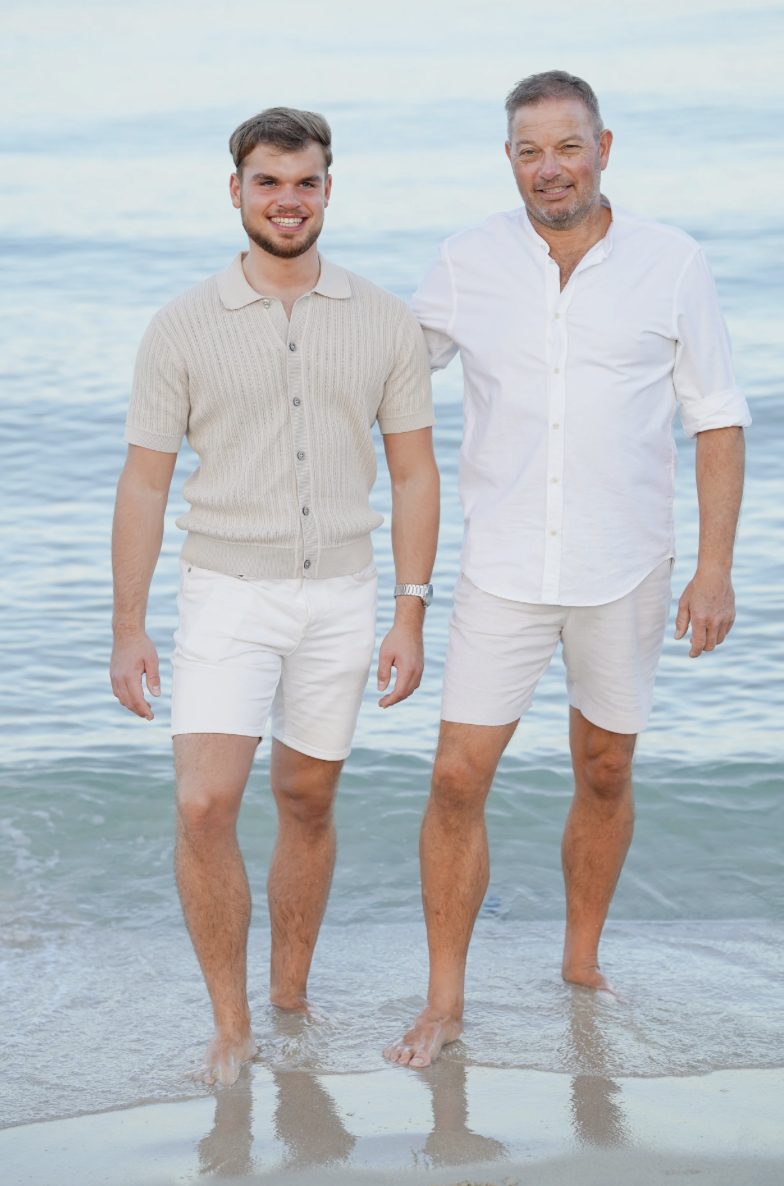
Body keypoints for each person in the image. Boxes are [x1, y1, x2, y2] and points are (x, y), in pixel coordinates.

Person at [384, 71, 750, 1069]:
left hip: (626, 564)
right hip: (499, 563)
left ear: (604, 147)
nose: (551, 168)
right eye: (530, 151)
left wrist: (713, 568)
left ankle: (580, 962)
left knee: (605, 766)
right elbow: (388, 367)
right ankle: (446, 999)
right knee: (457, 774)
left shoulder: (671, 264)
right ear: (509, 160)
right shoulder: (467, 260)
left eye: (568, 147)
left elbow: (715, 419)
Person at [110, 107, 439, 1086]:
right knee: (205, 803)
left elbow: (417, 475)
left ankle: (289, 995)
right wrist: (128, 625)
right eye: (267, 182)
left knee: (307, 796)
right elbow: (143, 481)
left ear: (327, 190)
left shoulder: (383, 321)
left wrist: (411, 610)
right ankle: (231, 1022)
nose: (286, 200)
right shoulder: (179, 326)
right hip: (224, 593)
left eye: (304, 182)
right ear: (236, 191)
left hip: (342, 595)